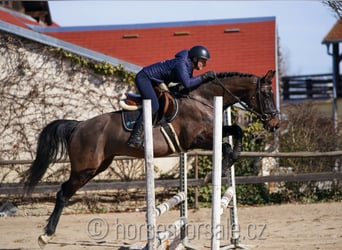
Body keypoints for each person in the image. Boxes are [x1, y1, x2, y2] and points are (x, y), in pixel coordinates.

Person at [127, 45, 216, 149]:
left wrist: (205, 80)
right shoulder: (181, 63)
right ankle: (134, 137)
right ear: (195, 58)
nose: (205, 64)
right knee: (154, 106)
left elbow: (187, 86)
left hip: (155, 82)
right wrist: (203, 77)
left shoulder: (188, 65)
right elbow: (187, 84)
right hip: (145, 79)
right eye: (203, 61)